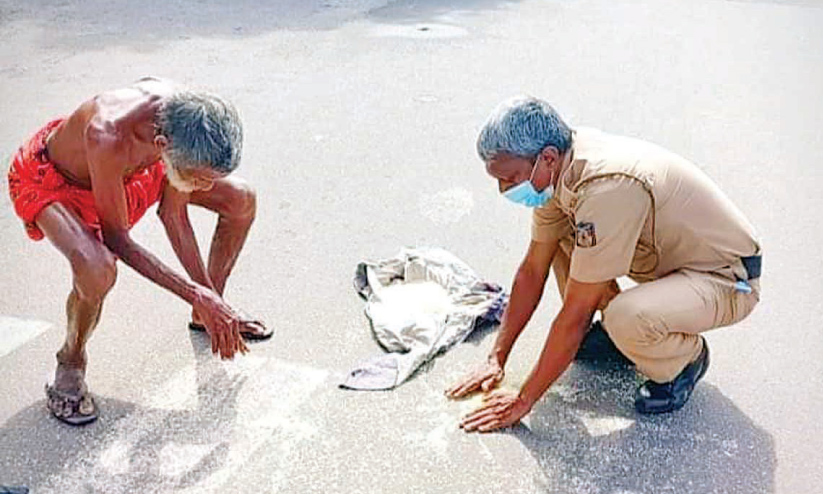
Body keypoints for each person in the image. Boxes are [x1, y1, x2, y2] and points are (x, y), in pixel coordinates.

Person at [446, 96, 761, 433]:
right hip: (670, 262)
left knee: (627, 315)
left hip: (726, 278)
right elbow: (532, 269)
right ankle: (620, 338)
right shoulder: (558, 172)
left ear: (546, 158)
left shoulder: (606, 187)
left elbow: (575, 315)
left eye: (509, 177)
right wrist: (497, 357)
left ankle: (682, 361)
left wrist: (523, 401)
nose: (503, 189)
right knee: (564, 236)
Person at [6, 77, 272, 425]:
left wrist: (207, 299)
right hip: (58, 183)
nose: (205, 188)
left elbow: (173, 215)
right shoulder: (108, 134)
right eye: (200, 178)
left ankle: (209, 315)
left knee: (241, 199)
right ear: (162, 144)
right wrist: (194, 292)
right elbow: (117, 239)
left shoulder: (179, 120)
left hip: (132, 173)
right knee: (96, 267)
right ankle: (70, 362)